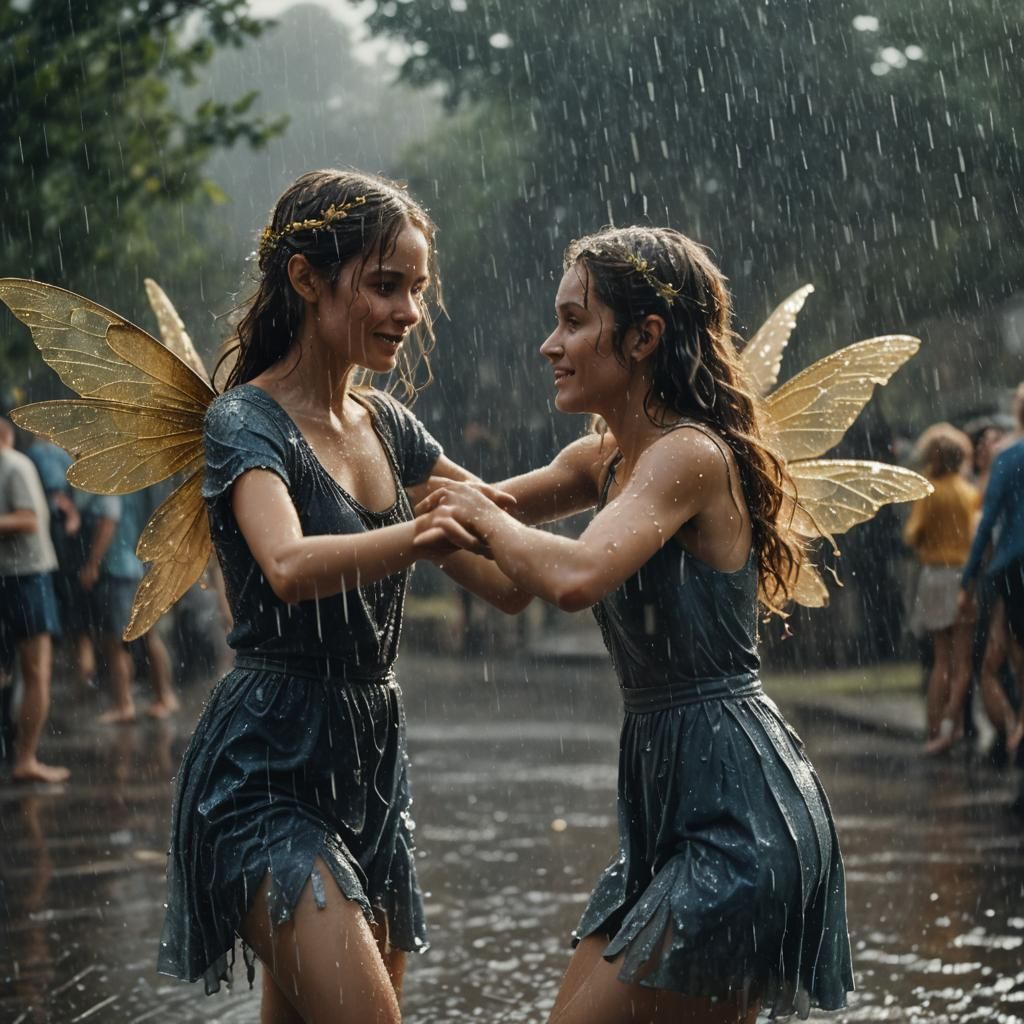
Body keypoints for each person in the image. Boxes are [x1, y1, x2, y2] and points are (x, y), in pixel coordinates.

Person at [416, 226, 853, 1023]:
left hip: (742, 816)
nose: (551, 344)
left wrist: (473, 510)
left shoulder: (690, 455)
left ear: (645, 336)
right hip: (667, 815)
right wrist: (398, 480)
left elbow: (574, 576)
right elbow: (510, 574)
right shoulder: (602, 459)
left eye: (574, 321)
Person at [157, 169, 528, 1024]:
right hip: (262, 773)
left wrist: (634, 489)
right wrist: (421, 534)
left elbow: (507, 573)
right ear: (305, 279)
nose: (408, 312)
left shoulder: (390, 428)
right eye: (385, 286)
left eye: (417, 290)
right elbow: (285, 562)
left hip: (370, 767)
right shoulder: (244, 421)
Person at [0, 417, 69, 783]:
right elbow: (28, 520)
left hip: (18, 574)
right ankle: (25, 758)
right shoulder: (15, 464)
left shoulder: (15, 465)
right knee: (37, 671)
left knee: (19, 672)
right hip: (27, 576)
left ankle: (20, 754)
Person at [902, 424, 978, 753]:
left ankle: (935, 730)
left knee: (940, 661)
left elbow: (911, 535)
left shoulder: (928, 492)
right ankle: (954, 726)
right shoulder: (969, 493)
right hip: (964, 578)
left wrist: (927, 542)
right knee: (964, 663)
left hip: (934, 576)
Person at [77, 490, 178, 723]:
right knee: (146, 636)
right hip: (132, 567)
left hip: (116, 572)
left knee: (115, 642)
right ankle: (164, 696)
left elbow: (108, 520)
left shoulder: (108, 485)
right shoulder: (127, 485)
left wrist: (92, 563)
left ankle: (124, 704)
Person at [960, 396, 1024, 758]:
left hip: (1013, 569)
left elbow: (987, 524)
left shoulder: (1009, 459)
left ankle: (1015, 737)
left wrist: (967, 579)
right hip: (1011, 569)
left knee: (1009, 660)